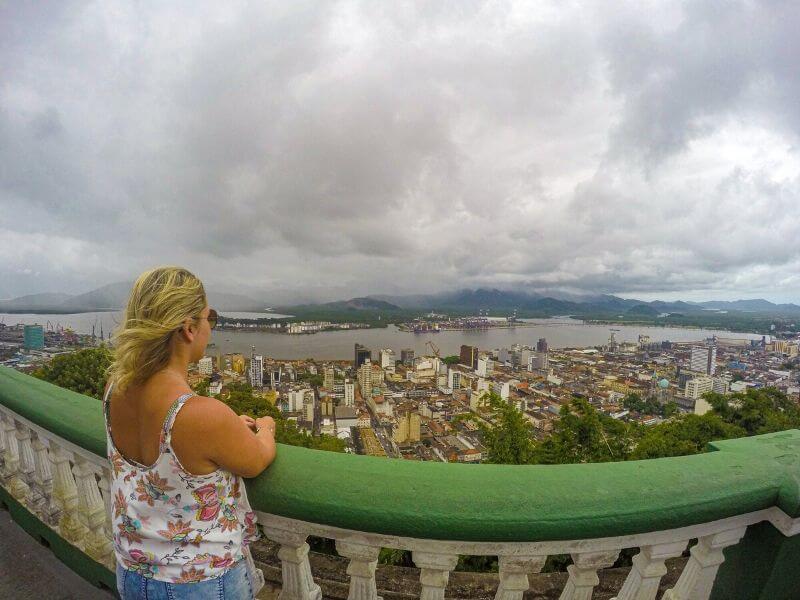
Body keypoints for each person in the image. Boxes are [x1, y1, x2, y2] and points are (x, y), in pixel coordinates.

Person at [104, 266, 276, 599]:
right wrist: (266, 426)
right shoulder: (198, 415)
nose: (210, 326)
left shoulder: (114, 390)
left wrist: (223, 432)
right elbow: (257, 460)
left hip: (133, 573)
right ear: (188, 328)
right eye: (208, 317)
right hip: (201, 583)